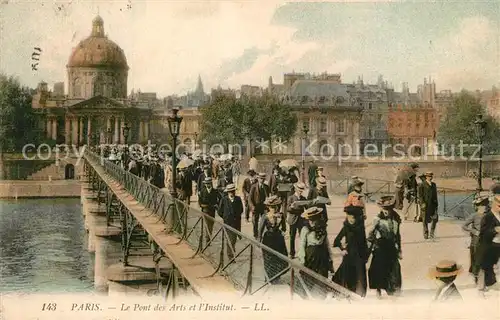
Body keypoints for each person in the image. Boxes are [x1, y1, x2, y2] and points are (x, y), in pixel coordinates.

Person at [367, 196, 403, 299]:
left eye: (388, 208)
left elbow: (398, 235)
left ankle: (393, 290)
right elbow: (371, 234)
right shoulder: (377, 219)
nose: (386, 211)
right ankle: (378, 290)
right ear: (381, 208)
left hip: (391, 246)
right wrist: (370, 247)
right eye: (384, 209)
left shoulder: (396, 218)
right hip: (380, 246)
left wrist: (399, 249)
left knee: (394, 268)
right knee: (379, 269)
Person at [332, 206, 369, 297]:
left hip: (359, 257)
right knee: (347, 277)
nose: (350, 219)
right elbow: (336, 241)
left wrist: (366, 256)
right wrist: (342, 249)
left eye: (352, 217)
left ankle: (360, 297)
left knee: (360, 278)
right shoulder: (346, 227)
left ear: (356, 217)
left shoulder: (360, 227)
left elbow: (364, 242)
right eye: (348, 217)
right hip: (349, 256)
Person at [258, 195, 288, 284]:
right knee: (269, 258)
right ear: (268, 207)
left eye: (275, 207)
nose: (273, 209)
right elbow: (260, 230)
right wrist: (259, 242)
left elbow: (284, 228)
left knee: (278, 258)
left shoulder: (281, 216)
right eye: (271, 207)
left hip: (278, 239)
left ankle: (276, 276)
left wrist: (282, 232)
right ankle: (268, 277)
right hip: (268, 239)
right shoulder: (265, 216)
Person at [298, 207, 334, 278]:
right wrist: (302, 259)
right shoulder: (305, 229)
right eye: (310, 219)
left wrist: (330, 257)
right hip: (310, 256)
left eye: (313, 219)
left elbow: (327, 243)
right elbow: (302, 245)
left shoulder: (322, 228)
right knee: (309, 278)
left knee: (322, 277)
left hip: (322, 256)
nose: (311, 222)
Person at [462, 196, 489, 284]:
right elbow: (464, 226)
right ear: (478, 207)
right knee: (476, 260)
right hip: (476, 241)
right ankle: (476, 277)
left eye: (485, 205)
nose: (485, 207)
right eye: (483, 205)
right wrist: (474, 231)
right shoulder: (474, 215)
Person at [476, 194, 500, 293]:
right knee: (488, 267)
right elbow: (483, 233)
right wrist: (495, 230)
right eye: (499, 205)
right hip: (492, 246)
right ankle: (487, 287)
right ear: (493, 204)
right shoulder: (487, 217)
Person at [218, 184, 243, 260]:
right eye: (230, 192)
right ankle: (230, 256)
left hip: (236, 223)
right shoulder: (224, 199)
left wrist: (236, 216)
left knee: (234, 239)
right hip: (227, 223)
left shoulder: (238, 199)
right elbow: (220, 211)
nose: (232, 193)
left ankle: (232, 251)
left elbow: (241, 209)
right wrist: (225, 217)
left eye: (233, 191)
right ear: (228, 192)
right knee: (229, 239)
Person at [287, 182, 307, 259]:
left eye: (302, 190)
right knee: (292, 237)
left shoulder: (303, 198)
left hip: (301, 220)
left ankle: (302, 253)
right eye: (299, 190)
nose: (300, 191)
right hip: (293, 219)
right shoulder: (291, 198)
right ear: (296, 189)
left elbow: (307, 207)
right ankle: (292, 253)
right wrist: (291, 207)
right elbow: (287, 209)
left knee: (302, 237)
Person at [198, 177, 221, 243]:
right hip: (205, 210)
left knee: (211, 225)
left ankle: (208, 236)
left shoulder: (215, 191)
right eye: (206, 183)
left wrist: (217, 205)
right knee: (207, 224)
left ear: (211, 183)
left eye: (208, 183)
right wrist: (202, 205)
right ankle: (207, 238)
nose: (207, 185)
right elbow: (200, 201)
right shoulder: (202, 191)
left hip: (212, 211)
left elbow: (220, 200)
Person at [248, 173, 270, 239]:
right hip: (256, 207)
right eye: (261, 178)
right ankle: (255, 234)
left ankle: (262, 235)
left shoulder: (266, 187)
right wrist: (252, 206)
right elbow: (250, 198)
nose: (262, 180)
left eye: (263, 179)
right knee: (255, 222)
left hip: (263, 207)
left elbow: (268, 197)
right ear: (258, 179)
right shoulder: (253, 187)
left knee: (264, 222)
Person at [418, 172, 439, 239]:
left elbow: (435, 195)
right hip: (425, 205)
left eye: (431, 176)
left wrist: (436, 204)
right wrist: (422, 203)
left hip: (433, 205)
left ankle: (432, 232)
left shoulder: (434, 184)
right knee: (424, 220)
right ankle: (426, 233)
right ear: (426, 177)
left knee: (435, 219)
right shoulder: (422, 185)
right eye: (429, 176)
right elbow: (420, 196)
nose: (430, 177)